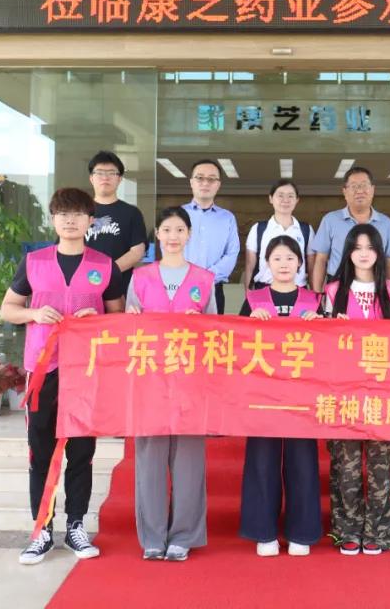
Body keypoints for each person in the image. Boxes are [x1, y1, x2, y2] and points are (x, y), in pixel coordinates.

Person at [1, 188, 124, 566]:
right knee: (40, 451)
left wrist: (98, 320)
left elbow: (119, 318)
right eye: (63, 214)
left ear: (91, 221)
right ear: (53, 220)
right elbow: (8, 308)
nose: (70, 221)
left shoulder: (105, 265)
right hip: (44, 368)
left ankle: (75, 525)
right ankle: (41, 529)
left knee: (81, 453)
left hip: (86, 371)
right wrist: (34, 314)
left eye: (78, 214)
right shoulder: (34, 262)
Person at [124, 206, 217, 562]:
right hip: (150, 381)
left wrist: (202, 325)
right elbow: (128, 333)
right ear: (158, 235)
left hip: (191, 382)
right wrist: (130, 319)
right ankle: (152, 537)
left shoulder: (204, 279)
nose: (173, 236)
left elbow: (217, 334)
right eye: (166, 229)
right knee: (149, 460)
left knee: (189, 461)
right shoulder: (140, 278)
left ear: (189, 234)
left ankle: (183, 536)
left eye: (180, 229)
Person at [322, 224, 390, 556]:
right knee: (347, 466)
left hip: (383, 393)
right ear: (348, 252)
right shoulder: (333, 291)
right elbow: (322, 344)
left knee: (381, 465)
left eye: (370, 247)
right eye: (357, 247)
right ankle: (348, 529)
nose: (364, 253)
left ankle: (379, 531)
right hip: (344, 393)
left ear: (379, 252)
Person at [239, 236, 323, 557]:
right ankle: (264, 532)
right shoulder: (254, 299)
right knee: (262, 460)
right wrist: (249, 323)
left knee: (303, 462)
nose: (284, 264)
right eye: (277, 258)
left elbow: (330, 351)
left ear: (300, 263)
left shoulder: (314, 301)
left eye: (290, 258)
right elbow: (234, 343)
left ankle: (302, 532)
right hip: (263, 394)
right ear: (267, 263)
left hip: (302, 395)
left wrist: (321, 326)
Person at [310, 166, 390, 292]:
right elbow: (320, 260)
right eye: (354, 186)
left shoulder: (386, 223)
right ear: (344, 192)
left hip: (375, 287)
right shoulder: (330, 220)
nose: (359, 191)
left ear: (373, 190)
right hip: (338, 286)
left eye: (364, 185)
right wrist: (317, 295)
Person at [84, 150, 147, 295]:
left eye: (111, 173)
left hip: (120, 287)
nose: (105, 177)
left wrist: (106, 273)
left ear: (119, 179)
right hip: (83, 286)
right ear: (91, 178)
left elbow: (137, 251)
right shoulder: (79, 212)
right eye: (99, 172)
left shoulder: (132, 213)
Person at [182, 158, 239, 314]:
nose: (205, 183)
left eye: (211, 179)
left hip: (214, 288)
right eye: (200, 178)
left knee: (213, 329)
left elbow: (232, 253)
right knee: (180, 329)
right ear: (191, 182)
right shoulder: (177, 215)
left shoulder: (227, 218)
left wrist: (207, 277)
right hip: (180, 286)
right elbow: (168, 248)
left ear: (218, 184)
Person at [243, 179, 315, 291]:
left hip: (298, 290)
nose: (285, 200)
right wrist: (248, 293)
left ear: (297, 200)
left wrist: (314, 294)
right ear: (271, 199)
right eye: (280, 195)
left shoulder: (306, 230)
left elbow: (312, 267)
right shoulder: (258, 229)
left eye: (290, 196)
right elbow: (249, 266)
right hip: (264, 290)